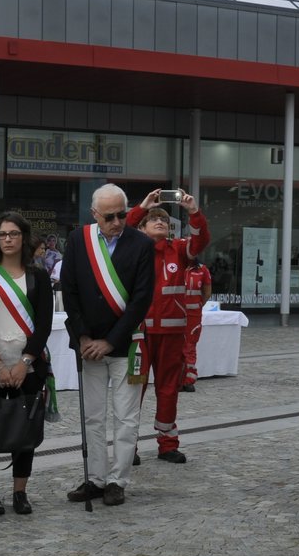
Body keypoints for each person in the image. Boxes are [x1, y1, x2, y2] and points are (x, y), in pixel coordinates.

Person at [61, 183, 154, 506]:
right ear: (94, 215)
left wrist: (110, 340)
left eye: (122, 215)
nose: (117, 222)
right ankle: (96, 479)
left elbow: (142, 300)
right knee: (93, 416)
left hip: (128, 345)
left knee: (127, 416)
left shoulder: (141, 244)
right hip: (89, 346)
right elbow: (69, 291)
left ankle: (118, 479)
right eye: (109, 216)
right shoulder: (77, 240)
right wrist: (84, 337)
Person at [0, 211, 53, 515]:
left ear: (24, 238)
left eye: (13, 234)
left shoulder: (39, 276)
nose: (7, 239)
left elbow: (43, 323)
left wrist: (23, 362)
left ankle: (20, 491)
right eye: (2, 234)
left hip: (27, 364)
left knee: (24, 427)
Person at [127, 191, 209, 462]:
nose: (160, 222)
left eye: (164, 220)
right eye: (153, 220)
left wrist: (194, 211)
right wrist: (143, 206)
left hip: (172, 334)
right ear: (141, 228)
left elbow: (201, 240)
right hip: (138, 334)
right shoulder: (133, 248)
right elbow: (120, 230)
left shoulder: (179, 249)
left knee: (168, 389)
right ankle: (129, 446)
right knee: (133, 390)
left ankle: (167, 444)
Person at [182, 259, 212, 391]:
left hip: (193, 316)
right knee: (175, 347)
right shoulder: (177, 266)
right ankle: (176, 379)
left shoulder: (202, 270)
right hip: (176, 314)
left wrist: (197, 307)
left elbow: (207, 293)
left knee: (190, 346)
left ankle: (189, 380)